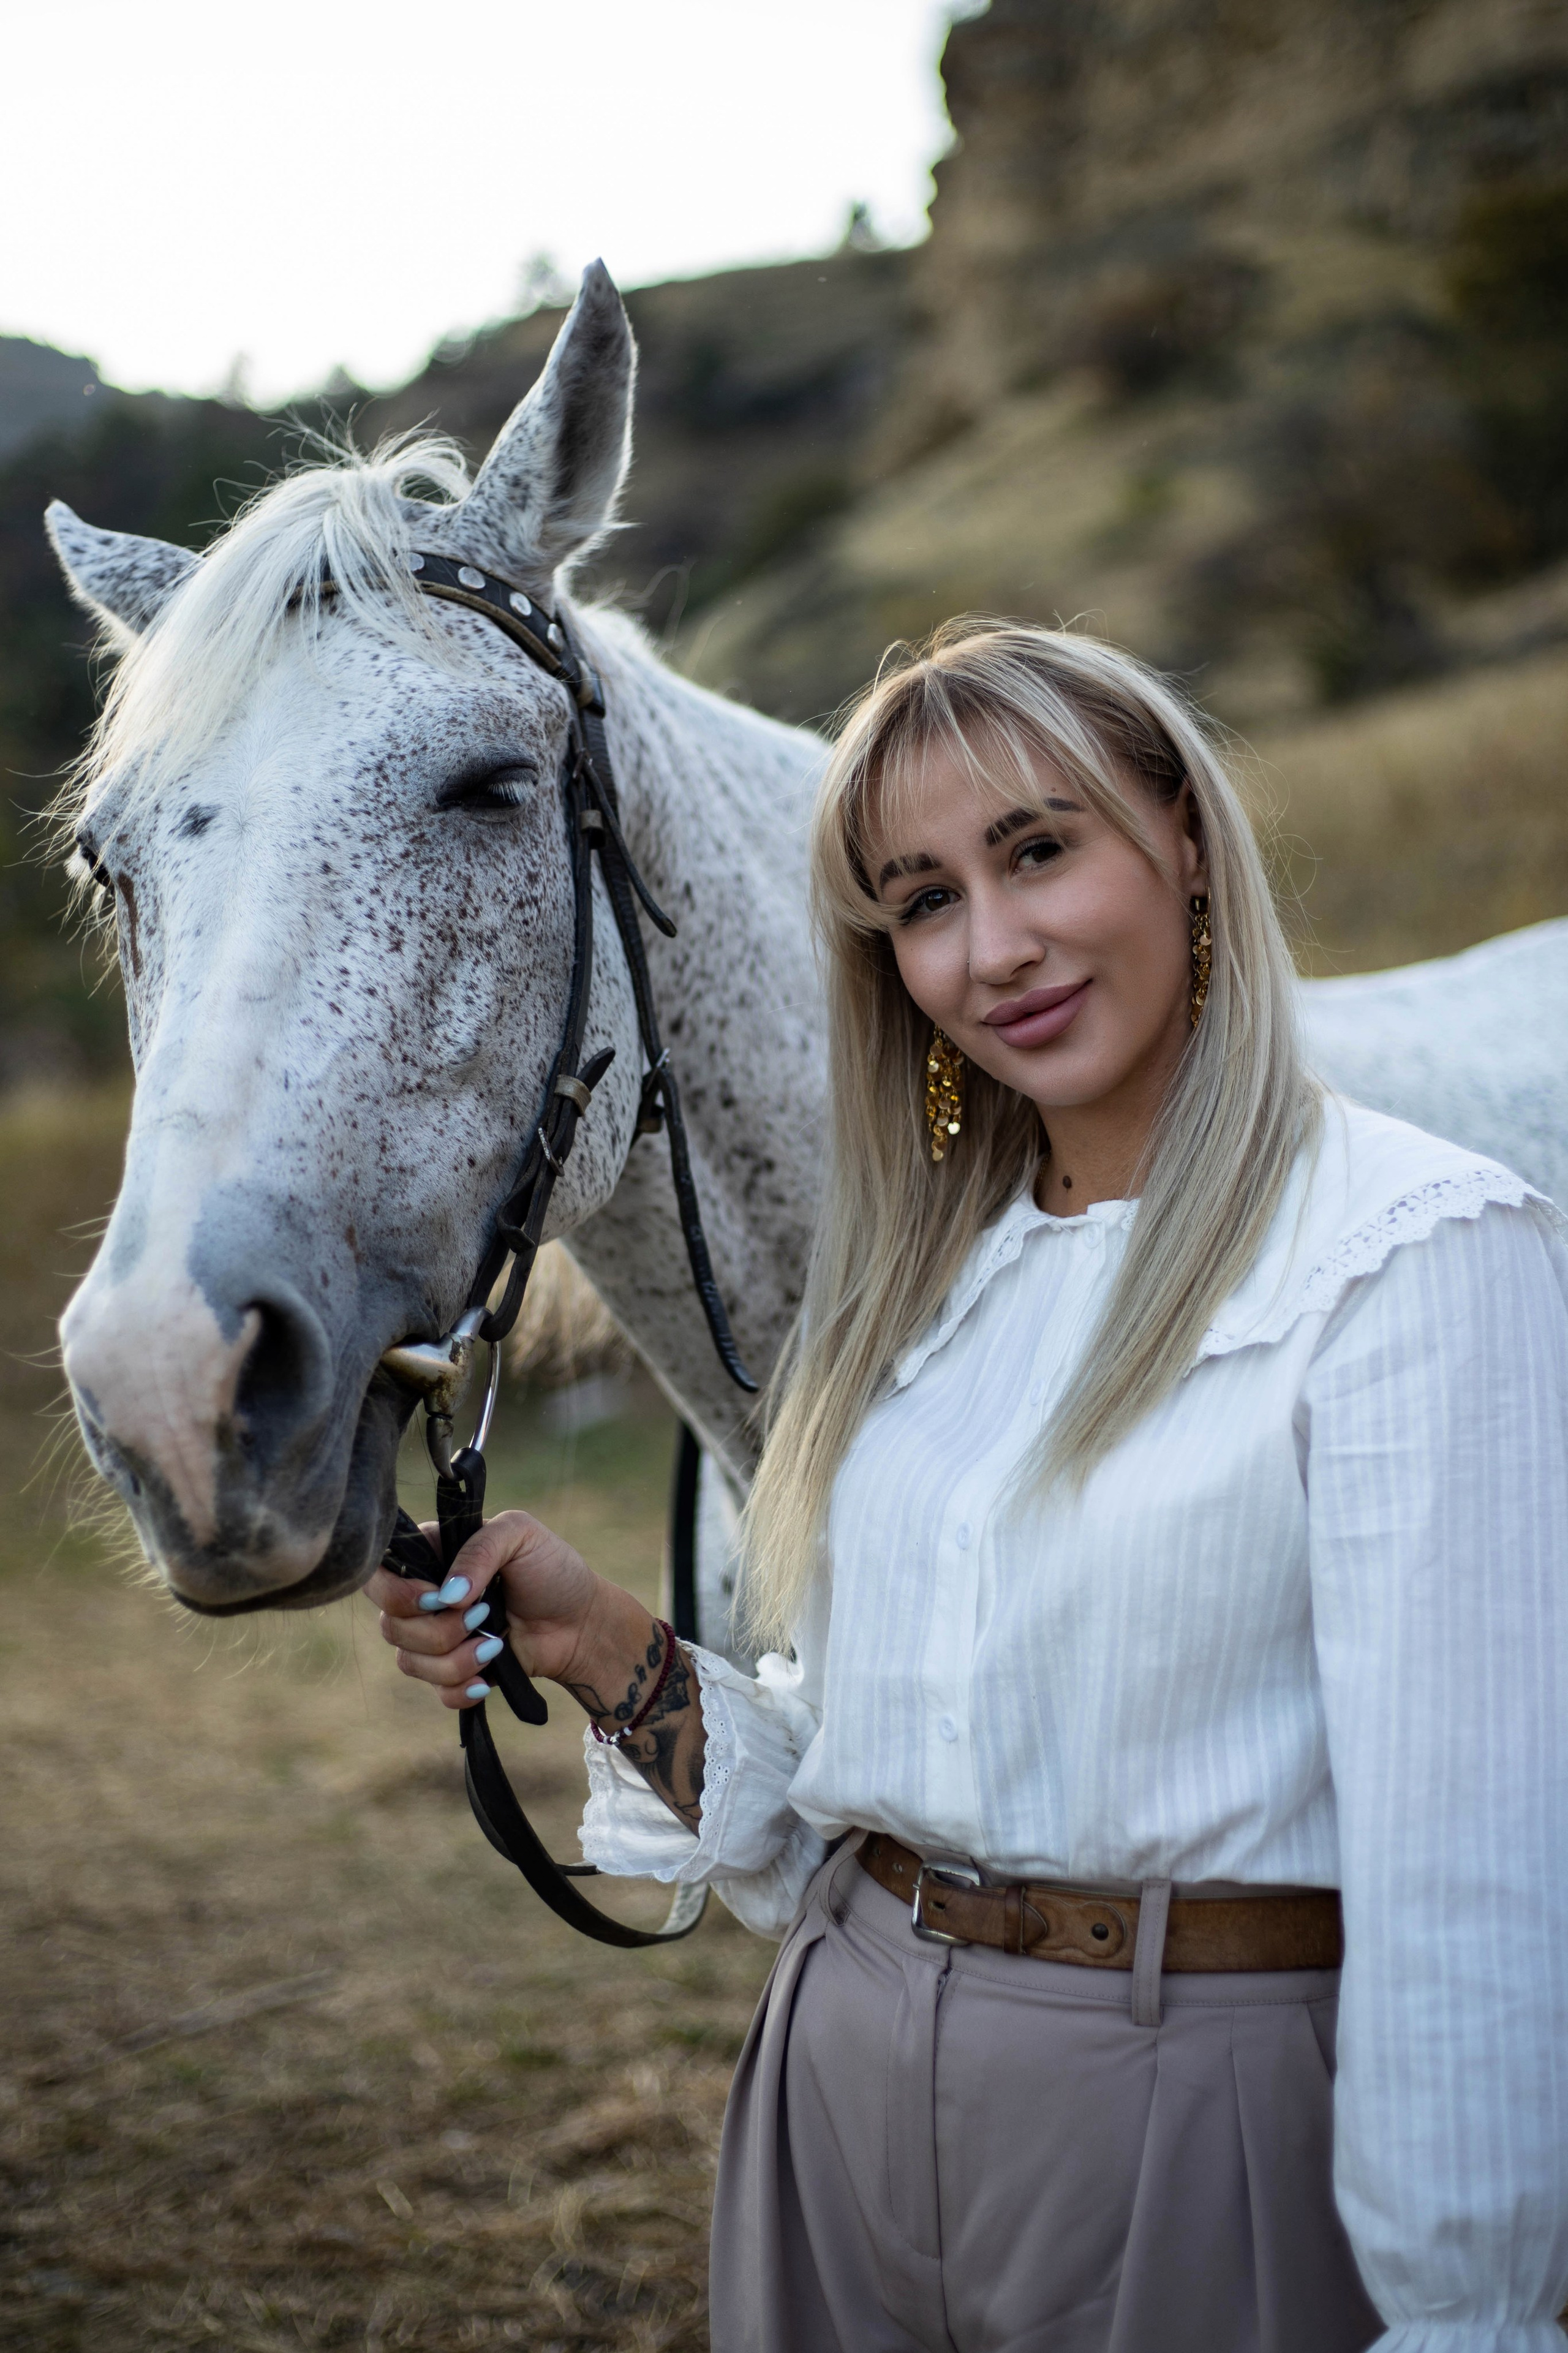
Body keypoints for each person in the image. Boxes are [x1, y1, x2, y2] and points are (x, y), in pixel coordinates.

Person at [368, 622, 1568, 2353]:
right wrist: (603, 1644)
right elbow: (851, 1806)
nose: (992, 950)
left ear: (1184, 841)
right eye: (925, 900)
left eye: (1039, 851)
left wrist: (1470, 2312)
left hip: (1195, 2133)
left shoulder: (1411, 1254)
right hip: (836, 2099)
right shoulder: (924, 1289)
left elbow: (1472, 1889)